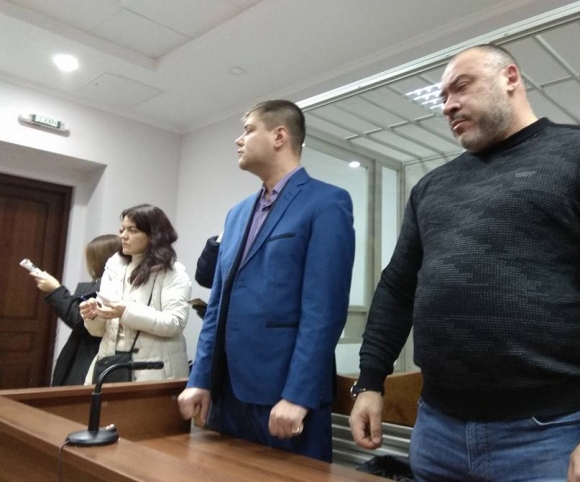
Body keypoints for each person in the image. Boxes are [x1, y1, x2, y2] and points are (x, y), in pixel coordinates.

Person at [348, 44, 580, 482]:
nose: (447, 105)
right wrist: (370, 380)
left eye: (460, 86)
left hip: (552, 437)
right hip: (436, 431)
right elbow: (397, 288)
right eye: (442, 97)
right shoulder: (431, 188)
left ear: (509, 77)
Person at [178, 100, 355, 462]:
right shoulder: (237, 213)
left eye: (248, 130)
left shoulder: (327, 202)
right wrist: (201, 379)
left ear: (279, 136)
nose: (238, 140)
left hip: (285, 400)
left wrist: (298, 395)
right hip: (227, 395)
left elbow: (324, 310)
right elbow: (217, 307)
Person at [79, 204, 191, 383]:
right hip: (110, 364)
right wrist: (94, 316)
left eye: (132, 230)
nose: (123, 236)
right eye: (122, 229)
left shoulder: (173, 272)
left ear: (153, 235)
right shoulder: (114, 267)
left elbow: (175, 323)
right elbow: (100, 332)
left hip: (154, 370)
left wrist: (126, 311)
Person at [29, 234, 121, 386]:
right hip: (84, 354)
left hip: (91, 357)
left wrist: (55, 289)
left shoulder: (108, 288)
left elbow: (79, 320)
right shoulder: (102, 285)